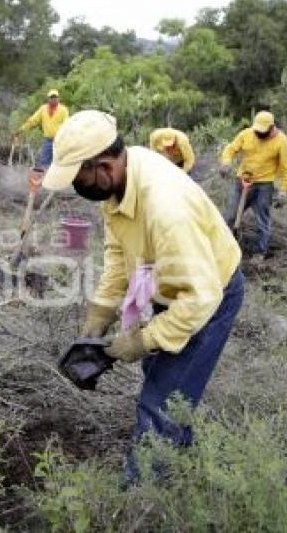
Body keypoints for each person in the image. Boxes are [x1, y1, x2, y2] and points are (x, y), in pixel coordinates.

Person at [43, 110, 244, 482]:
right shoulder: (119, 179)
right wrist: (99, 315)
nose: (76, 186)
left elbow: (200, 299)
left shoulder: (166, 209)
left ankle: (144, 494)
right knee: (165, 379)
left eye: (77, 176)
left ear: (103, 165)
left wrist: (140, 341)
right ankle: (179, 465)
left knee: (161, 401)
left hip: (208, 295)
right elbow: (119, 254)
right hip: (172, 285)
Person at [220, 110, 287, 264]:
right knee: (230, 216)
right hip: (242, 181)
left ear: (272, 127)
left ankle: (259, 253)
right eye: (257, 130)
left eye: (263, 131)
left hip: (264, 186)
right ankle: (224, 248)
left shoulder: (282, 141)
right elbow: (230, 149)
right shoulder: (246, 134)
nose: (259, 133)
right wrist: (226, 163)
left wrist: (283, 190)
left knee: (262, 221)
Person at [14, 89, 69, 169]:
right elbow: (33, 121)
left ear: (58, 98)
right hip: (48, 140)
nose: (53, 99)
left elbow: (67, 124)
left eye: (55, 97)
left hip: (60, 140)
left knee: (59, 162)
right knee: (44, 163)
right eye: (51, 97)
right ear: (48, 99)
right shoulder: (43, 109)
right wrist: (21, 130)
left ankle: (59, 180)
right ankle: (45, 180)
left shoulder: (63, 109)